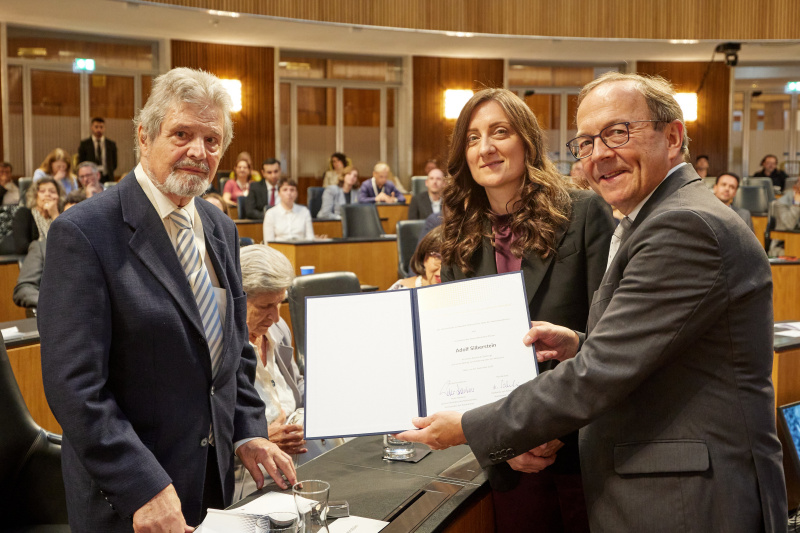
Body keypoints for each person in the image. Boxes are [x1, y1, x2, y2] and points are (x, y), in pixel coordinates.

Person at [397, 72, 786, 532]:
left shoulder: (683, 225)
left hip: (687, 498)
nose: (600, 153)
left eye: (618, 133)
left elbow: (601, 373)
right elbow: (640, 348)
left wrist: (472, 428)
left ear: (673, 136)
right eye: (586, 142)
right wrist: (579, 345)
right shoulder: (656, 219)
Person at [39, 67, 296, 532]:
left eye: (212, 140)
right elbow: (75, 388)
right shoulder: (84, 233)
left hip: (210, 490)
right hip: (131, 503)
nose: (198, 152)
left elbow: (231, 349)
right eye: (182, 134)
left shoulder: (221, 229)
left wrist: (247, 433)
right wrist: (142, 486)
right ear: (144, 135)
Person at [436, 88, 614, 532]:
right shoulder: (458, 241)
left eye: (500, 132)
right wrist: (503, 443)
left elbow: (607, 339)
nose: (486, 148)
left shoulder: (585, 213)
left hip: (581, 450)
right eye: (473, 138)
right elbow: (459, 361)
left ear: (528, 142)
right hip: (509, 463)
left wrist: (546, 430)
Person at [234, 244, 343, 499]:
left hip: (303, 461)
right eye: (264, 307)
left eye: (280, 303)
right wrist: (252, 438)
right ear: (237, 299)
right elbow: (209, 428)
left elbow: (296, 385)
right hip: (250, 476)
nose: (275, 316)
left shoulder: (278, 329)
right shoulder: (221, 346)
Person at [12, 190, 86, 310]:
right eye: (68, 218)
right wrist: (54, 304)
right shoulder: (41, 248)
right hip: (57, 315)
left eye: (79, 218)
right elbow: (24, 289)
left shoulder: (100, 249)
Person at [10, 176, 64, 255]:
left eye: (52, 191)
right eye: (42, 191)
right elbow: (21, 247)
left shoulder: (64, 215)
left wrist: (55, 214)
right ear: (35, 195)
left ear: (59, 197)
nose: (47, 194)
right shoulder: (24, 214)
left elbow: (66, 242)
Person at [263, 177, 313, 242]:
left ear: (296, 193)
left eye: (292, 190)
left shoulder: (304, 211)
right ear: (279, 193)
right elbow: (268, 242)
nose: (289, 193)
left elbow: (310, 238)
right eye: (285, 190)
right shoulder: (270, 213)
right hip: (278, 250)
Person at [77, 117, 118, 182]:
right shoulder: (84, 144)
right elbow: (82, 162)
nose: (99, 130)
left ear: (104, 128)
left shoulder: (111, 144)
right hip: (90, 177)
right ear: (91, 127)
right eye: (96, 127)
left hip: (107, 177)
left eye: (101, 127)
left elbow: (114, 163)